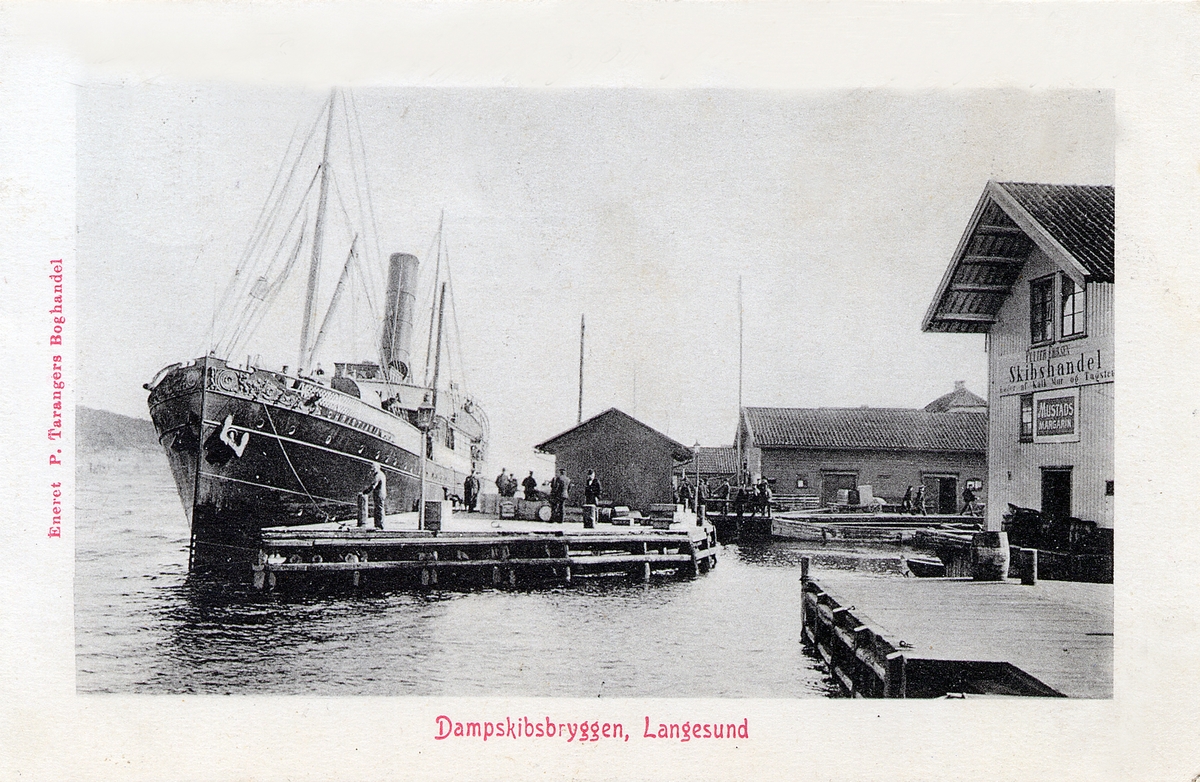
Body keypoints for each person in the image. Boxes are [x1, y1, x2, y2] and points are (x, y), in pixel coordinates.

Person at [361, 462, 386, 529]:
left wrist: (366, 491)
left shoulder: (378, 475)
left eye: (374, 468)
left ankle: (379, 526)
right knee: (379, 509)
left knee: (378, 509)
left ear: (377, 468)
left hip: (379, 494)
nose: (372, 470)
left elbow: (373, 485)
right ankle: (380, 525)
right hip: (382, 494)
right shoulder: (382, 474)